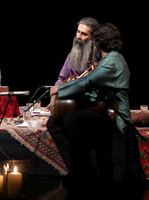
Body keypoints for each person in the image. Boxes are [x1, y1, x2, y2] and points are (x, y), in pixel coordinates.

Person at [48, 22, 131, 187]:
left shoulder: (111, 61)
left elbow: (87, 81)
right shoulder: (110, 58)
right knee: (63, 120)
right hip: (104, 111)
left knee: (72, 119)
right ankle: (82, 170)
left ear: (97, 42)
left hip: (115, 115)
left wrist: (59, 89)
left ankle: (82, 173)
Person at [56, 17, 100, 84]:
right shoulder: (72, 55)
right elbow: (62, 79)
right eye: (78, 31)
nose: (78, 36)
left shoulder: (102, 55)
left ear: (93, 37)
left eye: (84, 34)